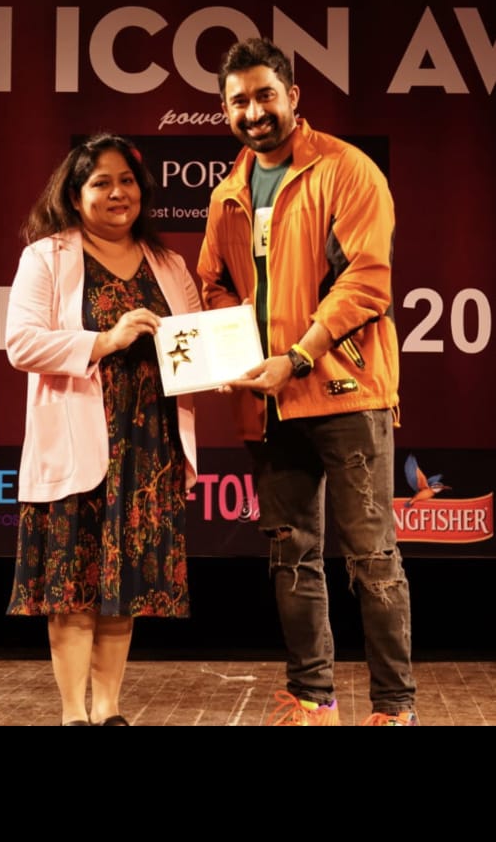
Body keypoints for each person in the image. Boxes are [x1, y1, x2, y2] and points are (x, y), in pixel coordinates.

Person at [197, 37, 418, 727]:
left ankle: (395, 709)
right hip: (269, 405)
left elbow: (367, 281)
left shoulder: (348, 171)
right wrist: (224, 350)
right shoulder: (228, 193)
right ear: (225, 110)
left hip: (347, 393)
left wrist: (296, 356)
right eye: (239, 101)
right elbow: (212, 284)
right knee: (292, 558)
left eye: (265, 95)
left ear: (293, 96)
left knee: (372, 558)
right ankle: (314, 699)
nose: (253, 112)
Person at [5, 132, 200, 726]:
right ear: (75, 194)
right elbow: (21, 343)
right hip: (78, 441)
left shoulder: (169, 264)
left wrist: (225, 363)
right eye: (102, 182)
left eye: (127, 181)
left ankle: (110, 709)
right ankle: (73, 714)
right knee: (72, 587)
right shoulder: (47, 256)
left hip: (150, 446)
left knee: (125, 585)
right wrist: (105, 340)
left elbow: (197, 342)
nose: (118, 193)